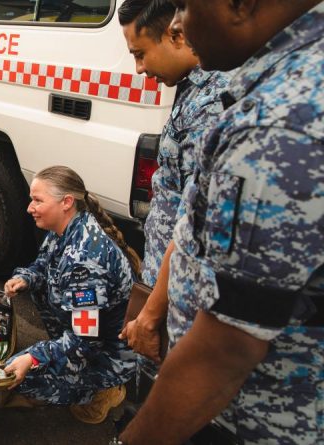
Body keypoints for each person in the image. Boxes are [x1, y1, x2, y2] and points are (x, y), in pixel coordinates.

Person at [118, 1, 324, 443]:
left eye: (187, 5)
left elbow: (229, 345)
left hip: (249, 416)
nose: (177, 23)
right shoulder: (271, 84)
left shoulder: (281, 124)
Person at [116, 0, 230, 362]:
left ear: (175, 35)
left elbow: (193, 223)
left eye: (140, 54)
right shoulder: (190, 88)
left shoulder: (210, 104)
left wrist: (151, 313)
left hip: (180, 296)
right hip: (165, 284)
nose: (139, 68)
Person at [3, 166, 139, 425]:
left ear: (66, 202)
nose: (29, 207)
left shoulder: (84, 261)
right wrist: (25, 278)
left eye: (37, 200)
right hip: (88, 337)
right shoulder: (66, 227)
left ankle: (104, 392)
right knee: (20, 365)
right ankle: (71, 367)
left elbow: (85, 341)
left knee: (16, 378)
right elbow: (43, 264)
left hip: (106, 354)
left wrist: (33, 357)